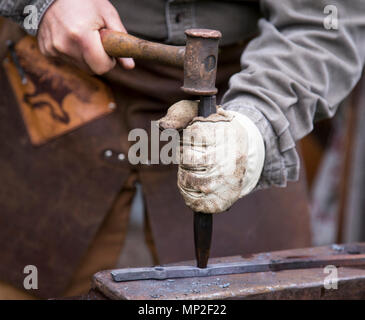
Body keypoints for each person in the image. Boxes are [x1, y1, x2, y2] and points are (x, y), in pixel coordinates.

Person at [0, 0, 363, 299]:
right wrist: (41, 6)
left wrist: (254, 127)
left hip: (247, 89)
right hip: (61, 80)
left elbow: (326, 22)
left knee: (259, 288)